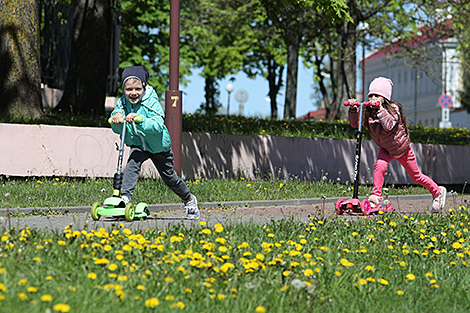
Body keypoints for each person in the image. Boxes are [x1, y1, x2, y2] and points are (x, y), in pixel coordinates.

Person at [110, 65, 200, 219]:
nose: (133, 93)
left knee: (169, 177)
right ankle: (125, 198)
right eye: (129, 89)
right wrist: (116, 118)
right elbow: (119, 129)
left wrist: (141, 120)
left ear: (144, 87)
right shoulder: (123, 104)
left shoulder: (151, 101)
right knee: (132, 165)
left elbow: (158, 125)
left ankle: (189, 200)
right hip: (138, 144)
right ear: (123, 90)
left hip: (158, 146)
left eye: (137, 89)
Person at [346, 77, 446, 212]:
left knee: (416, 176)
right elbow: (355, 124)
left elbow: (389, 126)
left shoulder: (394, 108)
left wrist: (380, 109)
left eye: (377, 95)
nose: (373, 98)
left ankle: (438, 192)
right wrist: (353, 110)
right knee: (379, 166)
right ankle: (376, 197)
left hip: (402, 149)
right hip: (386, 149)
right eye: (371, 95)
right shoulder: (369, 112)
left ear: (384, 97)